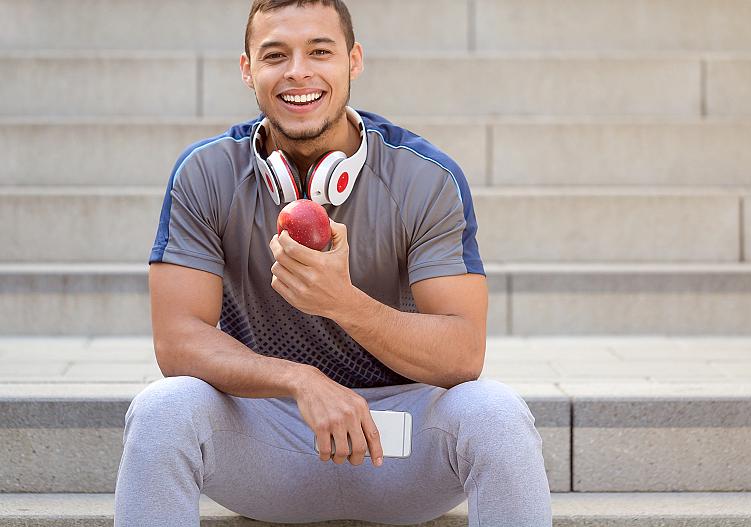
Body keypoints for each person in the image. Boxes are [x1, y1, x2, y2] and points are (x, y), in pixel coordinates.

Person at [113, 0, 552, 525]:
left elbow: (462, 356)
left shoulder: (426, 178)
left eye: (319, 51)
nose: (298, 70)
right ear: (247, 68)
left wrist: (344, 304)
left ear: (353, 60)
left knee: (497, 415)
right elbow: (178, 340)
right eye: (276, 55)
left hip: (395, 442)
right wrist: (301, 380)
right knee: (163, 410)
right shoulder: (205, 173)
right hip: (270, 439)